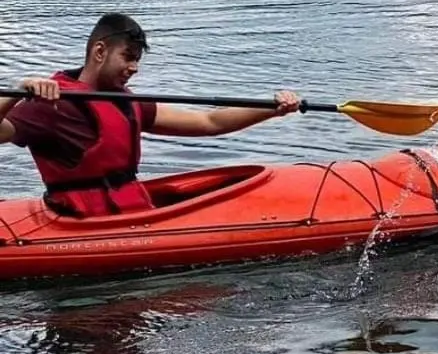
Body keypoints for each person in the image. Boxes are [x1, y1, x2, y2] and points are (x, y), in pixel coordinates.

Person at [0, 14, 300, 217]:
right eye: (128, 57)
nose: (134, 68)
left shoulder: (127, 103)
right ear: (100, 51)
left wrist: (271, 108)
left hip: (131, 214)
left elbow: (209, 122)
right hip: (79, 221)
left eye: (137, 60)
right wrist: (16, 92)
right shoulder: (52, 103)